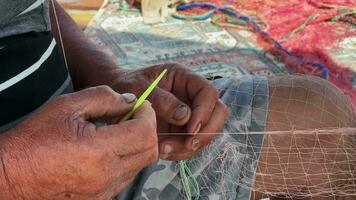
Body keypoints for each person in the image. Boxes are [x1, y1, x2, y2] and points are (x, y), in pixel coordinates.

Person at [0, 1, 354, 200]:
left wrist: (107, 75)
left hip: (72, 135)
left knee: (321, 121)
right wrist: (15, 175)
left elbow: (31, 9)